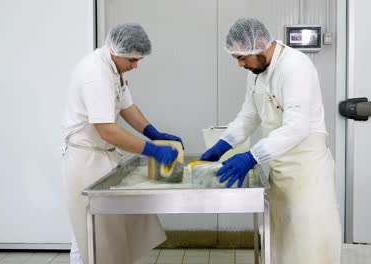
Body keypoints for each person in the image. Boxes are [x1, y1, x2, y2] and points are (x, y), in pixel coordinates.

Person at [200, 18, 341, 263]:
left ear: (262, 44)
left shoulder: (295, 66)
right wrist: (224, 144)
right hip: (280, 167)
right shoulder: (256, 73)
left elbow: (297, 127)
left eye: (242, 57)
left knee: (309, 242)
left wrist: (251, 156)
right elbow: (248, 116)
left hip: (308, 171)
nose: (240, 64)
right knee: (282, 241)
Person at [61, 23, 183, 264]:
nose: (136, 66)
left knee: (113, 227)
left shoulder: (115, 70)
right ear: (118, 52)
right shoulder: (95, 74)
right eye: (133, 60)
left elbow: (127, 107)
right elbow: (107, 130)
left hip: (103, 156)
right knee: (87, 232)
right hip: (85, 160)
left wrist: (152, 132)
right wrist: (152, 150)